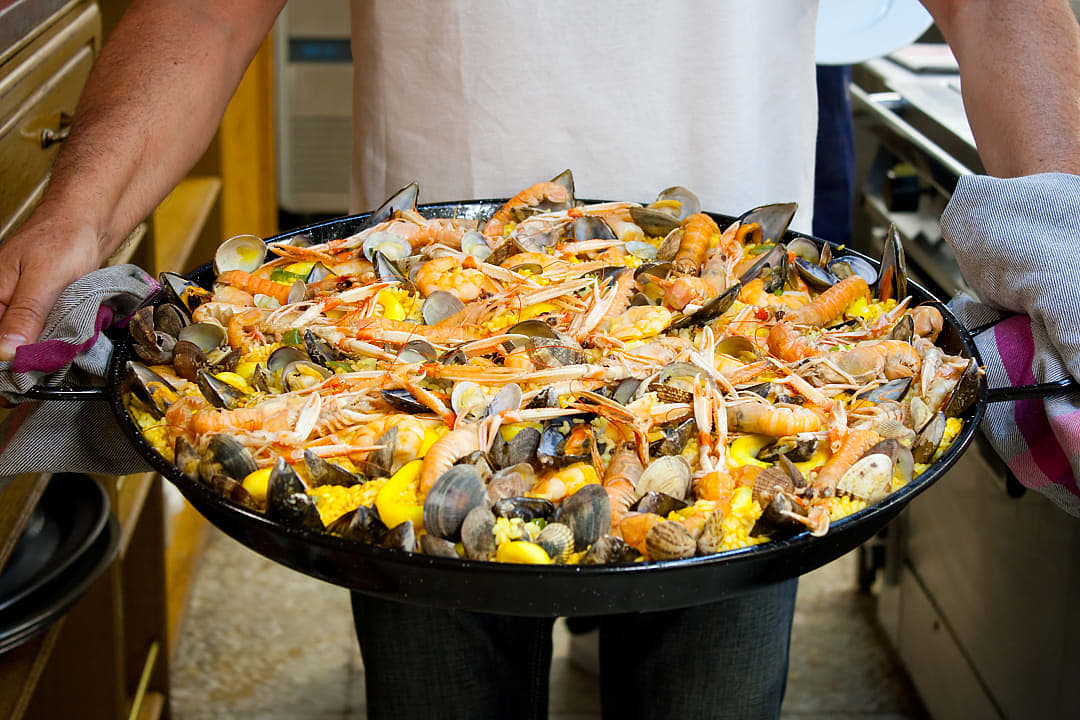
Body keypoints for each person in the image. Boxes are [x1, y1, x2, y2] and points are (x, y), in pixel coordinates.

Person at [1, 1, 1078, 719]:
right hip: (407, 376)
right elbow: (206, 6)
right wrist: (71, 218)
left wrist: (1069, 249)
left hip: (744, 333)